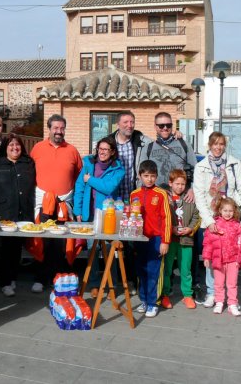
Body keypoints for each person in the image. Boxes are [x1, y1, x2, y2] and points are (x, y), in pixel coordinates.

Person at [193, 131, 241, 308]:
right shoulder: (201, 166)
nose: (218, 147)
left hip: (230, 217)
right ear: (209, 145)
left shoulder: (234, 164)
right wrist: (209, 221)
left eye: (221, 144)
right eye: (215, 144)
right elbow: (199, 195)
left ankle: (231, 297)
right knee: (213, 257)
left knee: (231, 258)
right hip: (211, 218)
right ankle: (213, 293)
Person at [30, 114, 82, 293]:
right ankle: (40, 278)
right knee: (42, 241)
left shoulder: (72, 150)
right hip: (43, 202)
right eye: (55, 128)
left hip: (64, 203)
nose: (59, 131)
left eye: (62, 128)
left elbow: (78, 175)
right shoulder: (37, 148)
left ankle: (59, 278)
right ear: (49, 129)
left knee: (62, 243)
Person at [106, 111, 151, 293]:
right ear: (118, 124)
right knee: (111, 242)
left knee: (132, 242)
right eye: (126, 122)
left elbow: (159, 143)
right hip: (113, 199)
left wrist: (176, 134)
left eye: (132, 122)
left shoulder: (139, 139)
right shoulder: (109, 142)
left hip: (132, 199)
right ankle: (112, 283)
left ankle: (132, 281)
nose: (129, 125)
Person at [73, 136, 124, 297]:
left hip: (108, 215)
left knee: (110, 251)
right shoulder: (88, 163)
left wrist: (90, 180)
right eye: (100, 149)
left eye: (106, 150)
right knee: (92, 251)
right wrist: (78, 210)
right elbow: (80, 186)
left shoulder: (118, 168)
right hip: (89, 214)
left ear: (113, 152)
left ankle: (112, 285)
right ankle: (94, 283)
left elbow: (108, 187)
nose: (102, 153)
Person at [0, 134, 36, 297]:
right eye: (11, 145)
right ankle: (5, 282)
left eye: (17, 145)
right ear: (5, 148)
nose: (14, 148)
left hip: (23, 211)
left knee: (16, 247)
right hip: (3, 211)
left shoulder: (28, 163)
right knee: (3, 248)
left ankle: (13, 277)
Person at [130, 160, 172, 318]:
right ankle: (144, 300)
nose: (149, 179)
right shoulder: (134, 194)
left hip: (156, 239)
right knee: (141, 270)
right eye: (146, 176)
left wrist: (165, 241)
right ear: (140, 176)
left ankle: (154, 303)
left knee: (154, 271)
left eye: (152, 176)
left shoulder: (161, 194)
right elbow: (130, 217)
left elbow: (167, 218)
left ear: (156, 177)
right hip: (140, 239)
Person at [202, 197, 241, 316]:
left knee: (232, 284)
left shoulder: (237, 226)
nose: (228, 213)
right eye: (225, 210)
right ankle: (219, 302)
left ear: (234, 212)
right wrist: (207, 257)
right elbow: (208, 243)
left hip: (233, 261)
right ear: (220, 211)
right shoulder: (214, 225)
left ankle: (232, 304)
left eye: (230, 211)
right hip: (219, 260)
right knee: (218, 283)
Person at [160, 169, 200, 310]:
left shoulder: (189, 199)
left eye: (183, 184)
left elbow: (197, 216)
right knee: (167, 269)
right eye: (177, 184)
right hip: (170, 240)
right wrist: (171, 229)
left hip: (186, 241)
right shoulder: (166, 199)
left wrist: (190, 228)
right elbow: (162, 217)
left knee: (186, 269)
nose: (180, 187)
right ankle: (165, 294)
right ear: (170, 183)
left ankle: (187, 295)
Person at [138, 112, 197, 202]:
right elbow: (141, 175)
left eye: (168, 125)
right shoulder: (147, 148)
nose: (165, 128)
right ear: (155, 127)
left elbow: (195, 169)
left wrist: (192, 189)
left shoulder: (184, 145)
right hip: (157, 197)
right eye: (161, 126)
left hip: (182, 197)